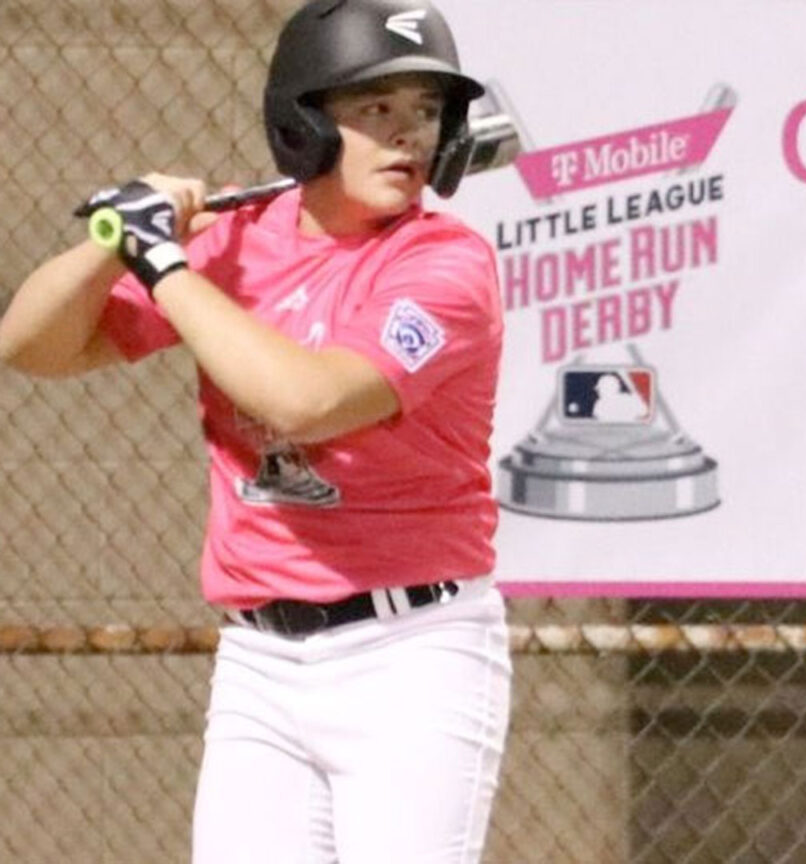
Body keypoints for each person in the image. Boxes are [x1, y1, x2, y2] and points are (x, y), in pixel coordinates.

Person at [0, 0, 511, 860]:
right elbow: (31, 344)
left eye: (426, 111)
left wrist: (161, 263)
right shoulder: (238, 243)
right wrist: (113, 241)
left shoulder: (446, 263)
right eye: (374, 109)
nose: (409, 136)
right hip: (261, 661)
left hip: (412, 655)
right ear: (302, 125)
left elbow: (307, 401)